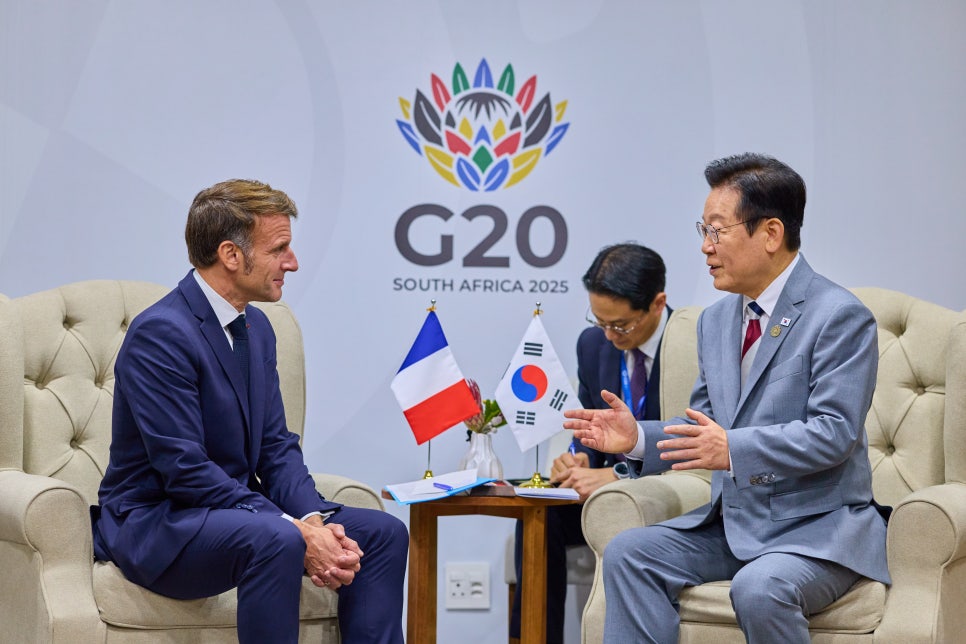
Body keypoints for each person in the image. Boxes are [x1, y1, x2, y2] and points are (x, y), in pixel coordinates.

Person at [565, 153, 889, 643]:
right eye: (703, 230)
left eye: (716, 231)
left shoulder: (838, 315)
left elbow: (834, 433)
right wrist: (637, 440)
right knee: (629, 553)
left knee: (760, 588)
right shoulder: (715, 321)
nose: (705, 246)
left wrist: (732, 449)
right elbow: (704, 424)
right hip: (734, 524)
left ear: (771, 233)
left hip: (816, 531)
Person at [90, 179, 408, 644]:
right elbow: (184, 469)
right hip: (162, 521)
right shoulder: (160, 333)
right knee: (278, 538)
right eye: (279, 249)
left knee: (383, 532)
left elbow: (277, 448)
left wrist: (312, 520)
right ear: (231, 255)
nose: (292, 263)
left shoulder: (257, 327)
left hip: (238, 513)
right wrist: (292, 527)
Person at [510, 243, 670, 643]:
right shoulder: (593, 344)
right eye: (600, 322)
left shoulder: (691, 344)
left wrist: (619, 477)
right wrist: (577, 458)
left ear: (657, 304)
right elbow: (588, 428)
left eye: (621, 325)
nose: (609, 335)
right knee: (539, 516)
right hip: (604, 495)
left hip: (668, 494)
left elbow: (692, 442)